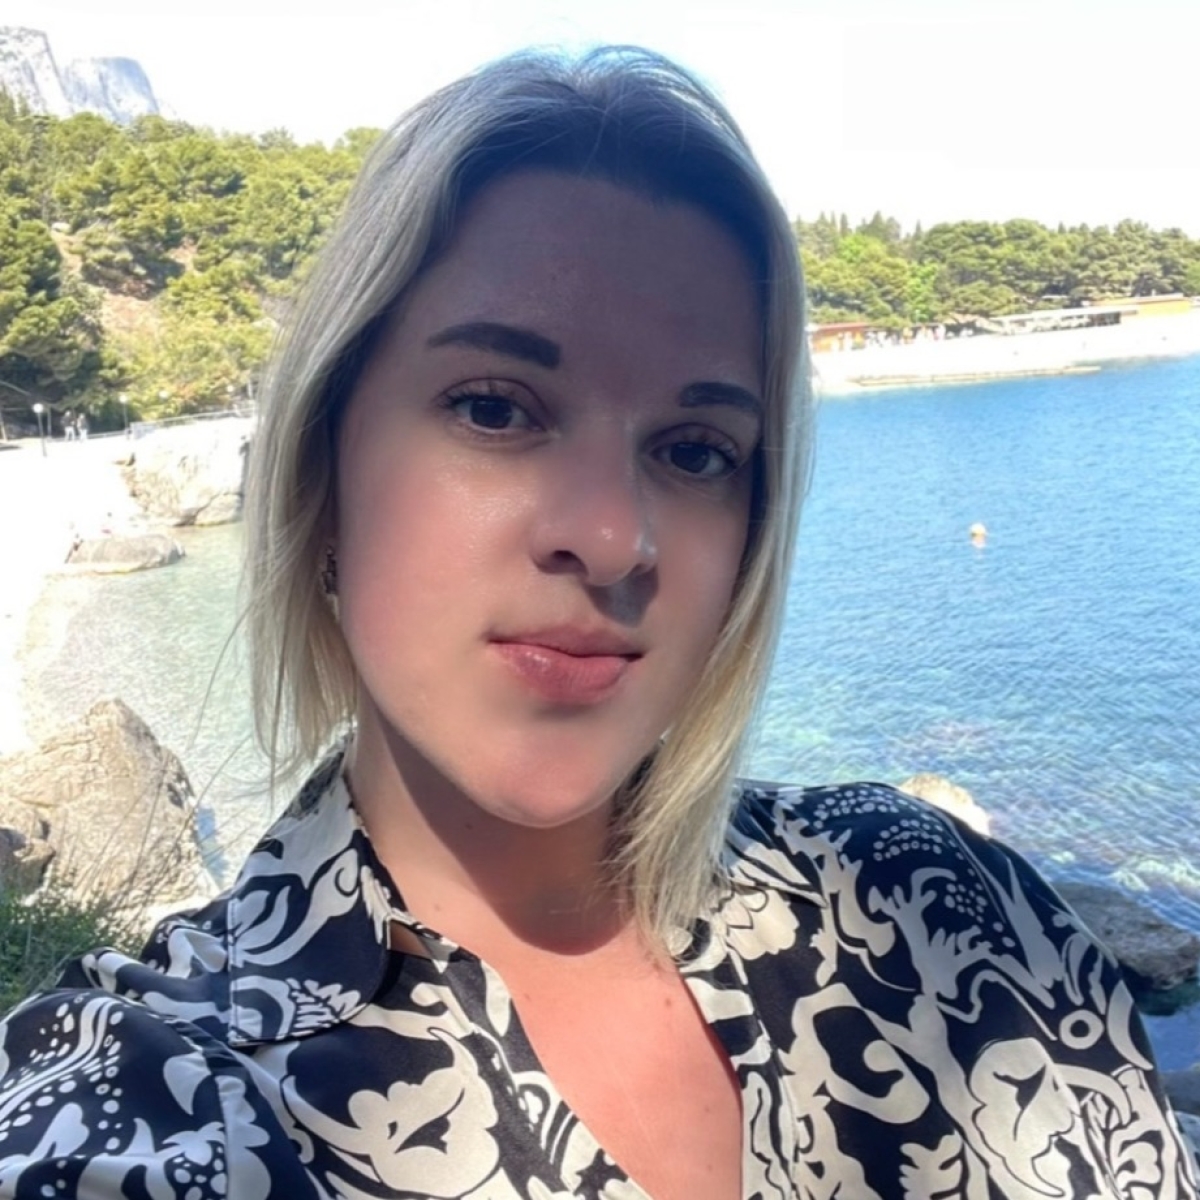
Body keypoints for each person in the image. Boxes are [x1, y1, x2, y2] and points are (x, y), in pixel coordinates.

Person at [0, 47, 1195, 1200]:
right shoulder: (147, 1099)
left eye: (696, 450)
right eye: (495, 408)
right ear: (322, 469)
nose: (616, 536)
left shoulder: (941, 901)